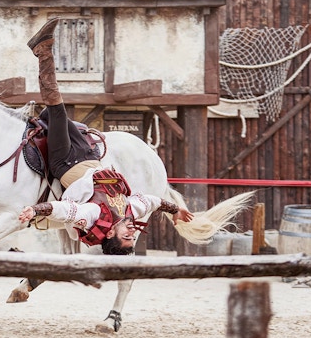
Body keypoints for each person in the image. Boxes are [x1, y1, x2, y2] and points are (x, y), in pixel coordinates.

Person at [20, 17, 193, 254]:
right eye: (133, 238)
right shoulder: (131, 210)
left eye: (127, 238)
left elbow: (64, 210)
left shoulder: (92, 215)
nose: (133, 233)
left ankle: (43, 51)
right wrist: (176, 210)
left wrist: (35, 210)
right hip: (90, 156)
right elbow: (154, 201)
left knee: (56, 110)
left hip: (66, 163)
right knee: (52, 117)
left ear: (110, 233)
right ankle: (41, 62)